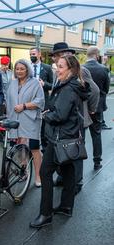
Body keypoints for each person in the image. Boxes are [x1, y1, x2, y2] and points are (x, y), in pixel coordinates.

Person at [30, 55, 88, 228]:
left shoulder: (68, 88)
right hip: (68, 136)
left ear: (70, 69)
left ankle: (45, 214)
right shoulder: (72, 85)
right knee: (68, 171)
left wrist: (46, 114)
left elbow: (60, 115)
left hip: (59, 138)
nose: (57, 69)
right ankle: (66, 206)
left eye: (61, 66)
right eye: (57, 65)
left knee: (46, 173)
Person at [50, 42, 99, 191]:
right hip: (63, 119)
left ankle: (77, 182)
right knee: (62, 149)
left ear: (66, 54)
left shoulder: (80, 70)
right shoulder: (58, 70)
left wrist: (90, 110)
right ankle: (63, 176)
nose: (56, 59)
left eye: (58, 55)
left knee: (75, 151)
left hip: (77, 119)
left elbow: (95, 90)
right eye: (55, 56)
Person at [6, 59, 44, 187]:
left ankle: (38, 176)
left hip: (31, 120)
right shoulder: (12, 83)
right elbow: (9, 102)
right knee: (21, 146)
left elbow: (40, 101)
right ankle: (24, 171)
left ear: (28, 70)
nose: (19, 71)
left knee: (34, 148)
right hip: (15, 119)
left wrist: (24, 106)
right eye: (17, 69)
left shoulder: (35, 83)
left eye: (22, 69)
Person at [84, 46, 110, 170]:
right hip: (97, 106)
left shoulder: (81, 68)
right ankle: (97, 161)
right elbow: (105, 89)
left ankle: (78, 161)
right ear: (96, 55)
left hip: (82, 106)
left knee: (81, 136)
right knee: (96, 134)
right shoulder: (103, 69)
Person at [29, 47, 53, 151]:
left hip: (43, 101)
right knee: (31, 126)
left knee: (43, 127)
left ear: (39, 54)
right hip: (30, 101)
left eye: (33, 54)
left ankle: (45, 149)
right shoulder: (27, 67)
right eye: (30, 54)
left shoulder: (47, 68)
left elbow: (52, 85)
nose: (32, 56)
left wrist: (44, 84)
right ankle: (32, 148)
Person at [0, 56, 13, 142]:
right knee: (0, 119)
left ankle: (8, 135)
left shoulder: (11, 73)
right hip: (1, 99)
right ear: (1, 64)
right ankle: (1, 137)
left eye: (7, 64)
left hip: (10, 99)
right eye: (4, 65)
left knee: (8, 118)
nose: (6, 66)